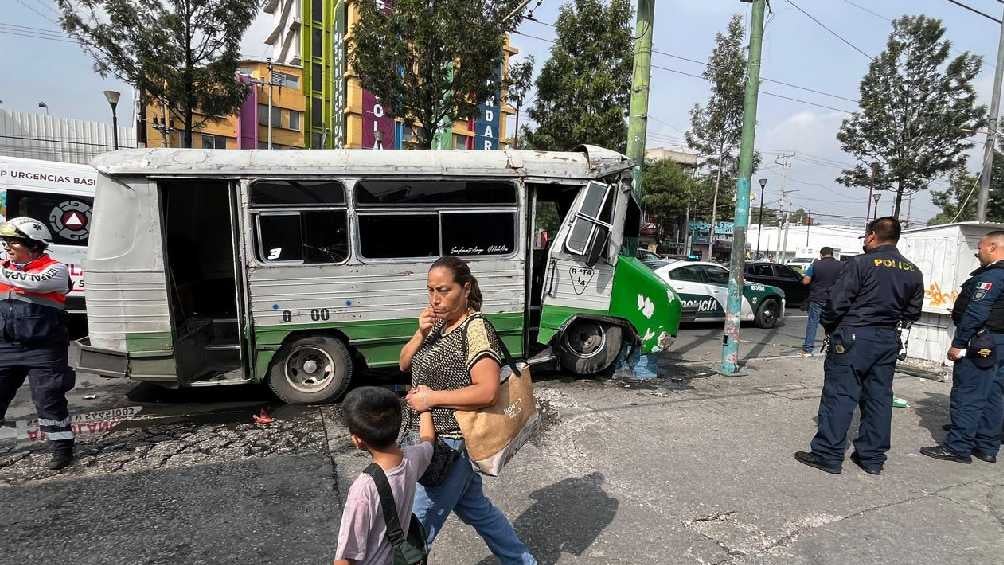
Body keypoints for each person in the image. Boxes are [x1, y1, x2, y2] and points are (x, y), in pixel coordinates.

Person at [400, 256, 537, 565]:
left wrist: (432, 398)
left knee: (415, 527)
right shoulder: (437, 325)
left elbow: (487, 391)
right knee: (478, 510)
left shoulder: (475, 329)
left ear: (466, 288)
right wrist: (420, 333)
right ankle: (523, 562)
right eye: (430, 290)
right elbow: (404, 363)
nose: (436, 299)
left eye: (444, 290)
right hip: (425, 436)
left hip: (451, 443)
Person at [795, 217, 923, 475]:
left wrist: (831, 328)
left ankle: (828, 455)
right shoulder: (912, 270)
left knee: (840, 395)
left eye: (866, 236)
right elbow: (913, 312)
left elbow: (836, 303)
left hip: (854, 336)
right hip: (887, 339)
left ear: (872, 236)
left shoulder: (860, 263)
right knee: (879, 398)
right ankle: (872, 458)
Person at [920, 231, 1004, 465]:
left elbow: (976, 312)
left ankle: (958, 446)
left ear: (992, 247)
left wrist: (958, 343)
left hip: (982, 342)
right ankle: (987, 446)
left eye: (980, 247)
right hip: (1000, 343)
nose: (978, 252)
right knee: (994, 394)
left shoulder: (993, 277)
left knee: (969, 395)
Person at [0, 217, 76, 470]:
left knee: (48, 399)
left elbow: (33, 283)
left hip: (43, 348)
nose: (7, 248)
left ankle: (62, 450)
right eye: (5, 242)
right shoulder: (4, 266)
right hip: (5, 347)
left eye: (13, 243)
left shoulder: (55, 269)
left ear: (33, 245)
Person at [334, 386, 435, 565]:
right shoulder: (413, 458)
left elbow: (346, 555)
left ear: (358, 440)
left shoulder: (363, 489)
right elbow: (428, 441)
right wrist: (425, 408)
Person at [800, 247, 844, 356]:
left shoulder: (815, 264)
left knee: (813, 323)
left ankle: (808, 349)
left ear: (821, 254)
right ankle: (835, 347)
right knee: (834, 323)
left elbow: (806, 281)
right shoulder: (841, 265)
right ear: (832, 254)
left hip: (817, 298)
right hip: (834, 300)